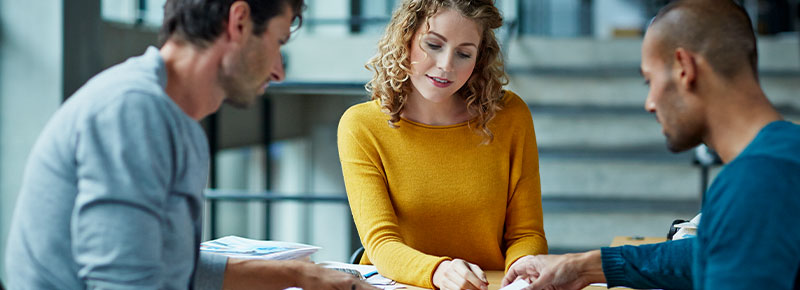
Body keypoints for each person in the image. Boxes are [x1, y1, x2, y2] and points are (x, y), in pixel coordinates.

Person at [4, 1, 377, 289]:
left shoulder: (173, 119)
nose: (279, 70)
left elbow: (173, 266)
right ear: (239, 22)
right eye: (278, 42)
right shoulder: (132, 112)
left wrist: (303, 275)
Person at [501, 1, 800, 289]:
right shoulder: (785, 153)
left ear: (684, 68)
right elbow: (711, 252)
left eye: (650, 81)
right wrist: (584, 266)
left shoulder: (756, 185)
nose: (650, 103)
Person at [337, 0, 548, 289]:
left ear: (479, 59)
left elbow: (527, 233)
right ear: (405, 39)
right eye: (433, 45)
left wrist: (524, 271)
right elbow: (380, 243)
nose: (446, 65)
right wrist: (438, 271)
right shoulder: (361, 126)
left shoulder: (510, 116)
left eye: (463, 53)